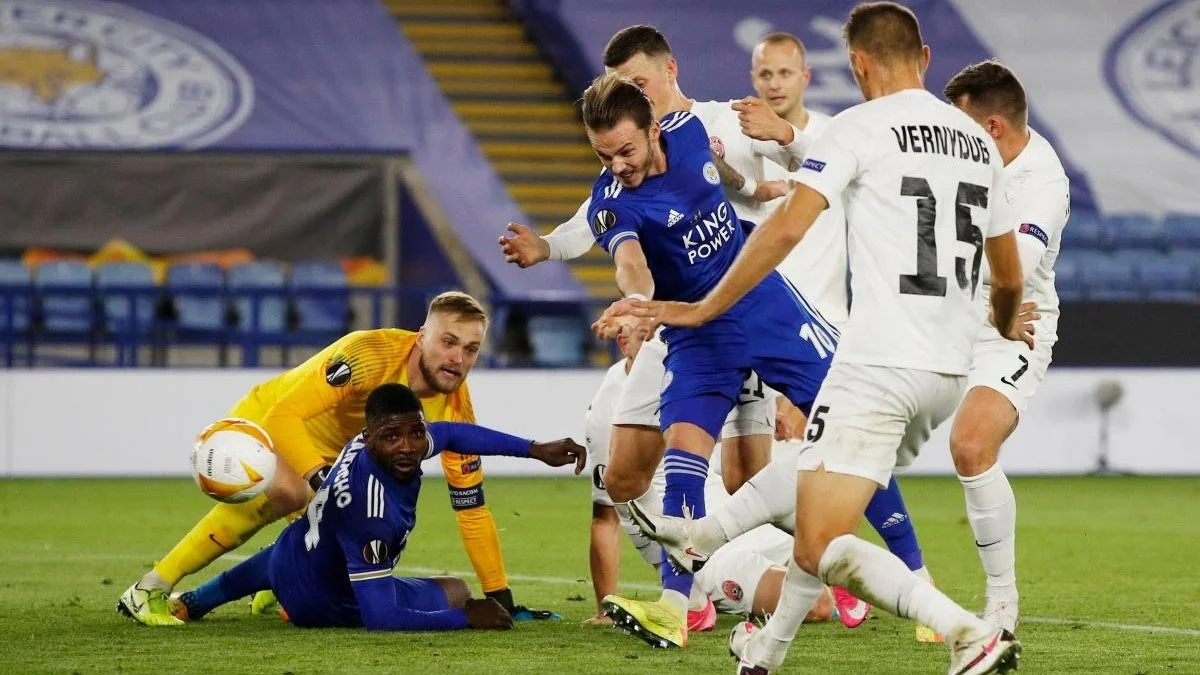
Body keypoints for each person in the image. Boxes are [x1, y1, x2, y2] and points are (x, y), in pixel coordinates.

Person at [624, 3, 1029, 673]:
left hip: (879, 360)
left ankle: (967, 631)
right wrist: (1007, 322)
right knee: (814, 477)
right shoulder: (977, 141)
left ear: (857, 64)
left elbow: (786, 226)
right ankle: (760, 642)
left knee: (818, 540)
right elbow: (1008, 276)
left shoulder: (857, 127)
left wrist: (703, 308)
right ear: (925, 59)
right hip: (948, 369)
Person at [579, 72, 837, 650]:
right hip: (695, 331)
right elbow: (631, 264)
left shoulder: (690, 131)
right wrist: (640, 304)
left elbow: (716, 170)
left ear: (653, 130)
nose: (616, 165)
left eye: (625, 151)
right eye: (603, 156)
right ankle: (677, 605)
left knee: (840, 426)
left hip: (758, 303)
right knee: (684, 455)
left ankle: (906, 574)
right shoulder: (611, 204)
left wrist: (751, 188)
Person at [118, 292, 552, 625]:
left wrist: (500, 597)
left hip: (330, 456)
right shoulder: (369, 354)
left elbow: (471, 508)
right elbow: (284, 414)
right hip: (271, 420)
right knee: (290, 493)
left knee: (332, 525)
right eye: (448, 342)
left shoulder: (456, 409)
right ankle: (150, 588)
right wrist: (320, 476)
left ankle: (278, 585)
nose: (458, 359)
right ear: (422, 336)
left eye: (471, 349)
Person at [166, 384, 585, 630]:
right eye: (393, 438)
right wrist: (465, 618)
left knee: (290, 548)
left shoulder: (371, 442)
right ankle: (294, 608)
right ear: (370, 438)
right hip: (321, 604)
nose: (408, 447)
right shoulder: (372, 516)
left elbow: (453, 433)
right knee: (456, 591)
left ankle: (195, 601)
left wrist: (535, 449)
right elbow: (383, 618)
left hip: (287, 560)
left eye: (416, 434)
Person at [583, 330, 834, 627]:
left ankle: (841, 568)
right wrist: (603, 608)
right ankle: (688, 599)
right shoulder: (611, 400)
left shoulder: (700, 360)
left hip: (736, 517)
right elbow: (606, 516)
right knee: (818, 604)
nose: (624, 329)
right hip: (701, 549)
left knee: (832, 555)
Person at [943, 59, 1071, 634]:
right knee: (854, 433)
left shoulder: (1042, 180)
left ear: (992, 127)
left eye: (962, 125)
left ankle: (1001, 602)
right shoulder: (962, 155)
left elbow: (1013, 270)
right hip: (942, 313)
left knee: (971, 445)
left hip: (1011, 325)